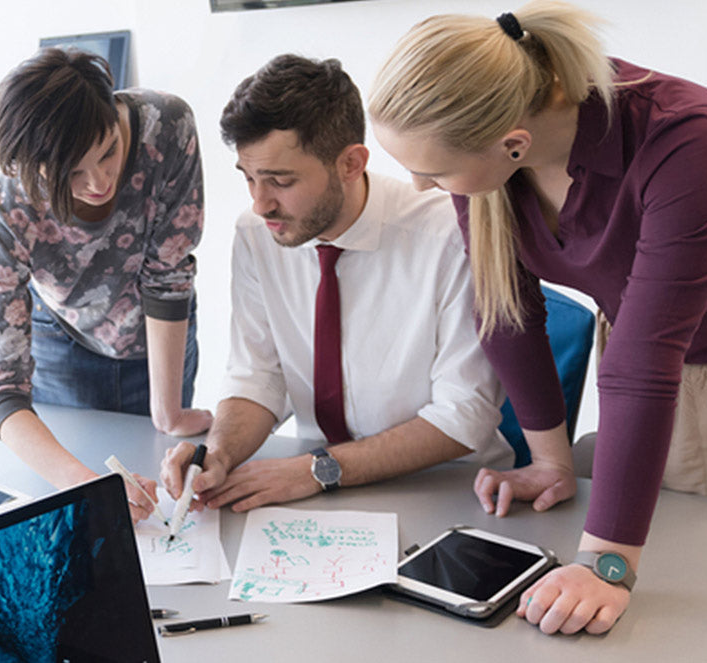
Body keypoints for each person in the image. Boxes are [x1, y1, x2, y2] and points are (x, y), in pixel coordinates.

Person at [367, 0, 707, 637]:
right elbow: (507, 311)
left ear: (514, 143)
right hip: (656, 388)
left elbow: (644, 358)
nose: (418, 186)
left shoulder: (688, 133)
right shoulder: (491, 157)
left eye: (431, 171)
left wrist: (606, 565)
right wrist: (549, 460)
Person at [158, 54, 508, 514]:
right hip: (318, 493)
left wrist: (315, 470)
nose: (261, 204)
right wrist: (218, 454)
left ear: (351, 163)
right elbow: (259, 374)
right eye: (248, 179)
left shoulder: (449, 235)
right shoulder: (255, 234)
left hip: (450, 491)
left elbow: (465, 415)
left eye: (280, 181)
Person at [0, 47, 211, 522]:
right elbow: (2, 383)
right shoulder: (10, 205)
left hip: (160, 331)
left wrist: (167, 412)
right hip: (61, 340)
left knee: (167, 495)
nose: (100, 181)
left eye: (108, 153)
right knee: (91, 516)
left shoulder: (166, 125)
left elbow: (168, 274)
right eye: (73, 174)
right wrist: (82, 483)